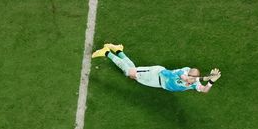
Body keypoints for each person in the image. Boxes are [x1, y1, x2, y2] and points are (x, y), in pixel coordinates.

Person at [91, 43, 221, 93]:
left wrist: (211, 81)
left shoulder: (195, 83)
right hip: (156, 74)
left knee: (132, 72)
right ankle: (106, 52)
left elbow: (204, 90)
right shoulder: (185, 72)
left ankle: (118, 50)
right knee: (129, 72)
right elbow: (185, 78)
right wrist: (205, 77)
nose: (191, 78)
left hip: (157, 84)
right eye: (192, 75)